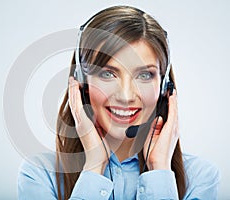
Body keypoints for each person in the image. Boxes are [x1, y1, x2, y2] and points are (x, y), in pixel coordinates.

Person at [18, 5, 220, 200]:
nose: (125, 96)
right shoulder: (40, 176)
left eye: (144, 75)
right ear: (81, 82)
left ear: (165, 86)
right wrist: (94, 166)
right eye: (107, 74)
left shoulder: (200, 178)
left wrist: (160, 169)